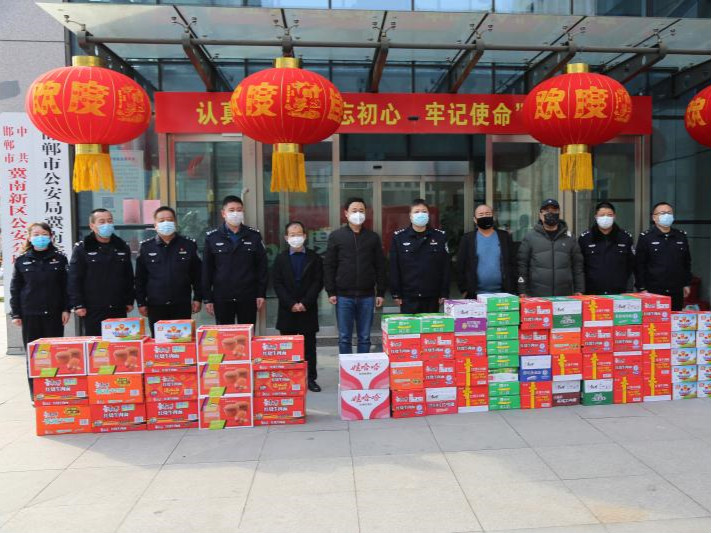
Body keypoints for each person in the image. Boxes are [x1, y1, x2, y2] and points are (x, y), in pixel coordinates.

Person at [10, 223, 71, 396]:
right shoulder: (22, 260)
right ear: (29, 238)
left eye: (44, 234)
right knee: (34, 356)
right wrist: (16, 313)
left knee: (55, 354)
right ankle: (36, 394)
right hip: (30, 314)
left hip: (54, 314)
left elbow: (66, 287)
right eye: (36, 234)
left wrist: (66, 309)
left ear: (50, 236)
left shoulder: (60, 259)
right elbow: (15, 288)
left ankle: (54, 391)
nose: (40, 237)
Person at [324, 197, 386, 354]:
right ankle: (346, 369)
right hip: (343, 296)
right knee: (344, 337)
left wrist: (381, 292)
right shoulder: (336, 236)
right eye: (354, 210)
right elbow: (329, 265)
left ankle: (362, 368)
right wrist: (331, 291)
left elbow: (380, 266)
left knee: (364, 337)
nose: (358, 214)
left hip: (367, 296)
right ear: (346, 213)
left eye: (361, 211)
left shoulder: (372, 237)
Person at [272, 221, 324, 392]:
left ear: (305, 236)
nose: (296, 237)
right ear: (286, 237)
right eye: (292, 235)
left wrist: (305, 303)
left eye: (299, 234)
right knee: (287, 347)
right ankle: (289, 379)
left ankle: (311, 379)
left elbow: (318, 282)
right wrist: (291, 304)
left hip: (308, 309)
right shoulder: (280, 259)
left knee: (309, 348)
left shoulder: (314, 257)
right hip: (287, 310)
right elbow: (277, 284)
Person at [135, 206, 202, 335]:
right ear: (155, 225)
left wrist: (198, 298)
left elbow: (197, 275)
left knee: (183, 340)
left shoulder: (188, 245)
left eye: (170, 220)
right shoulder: (146, 247)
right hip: (156, 305)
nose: (166, 223)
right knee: (158, 341)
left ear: (175, 223)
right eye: (161, 221)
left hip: (181, 304)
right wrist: (141, 302)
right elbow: (140, 279)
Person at [68, 209, 135, 336]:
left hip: (118, 306)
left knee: (119, 341)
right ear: (92, 225)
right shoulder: (82, 248)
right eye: (102, 222)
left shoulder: (122, 246)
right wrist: (78, 304)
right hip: (92, 308)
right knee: (96, 344)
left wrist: (129, 300)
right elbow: (74, 278)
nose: (107, 225)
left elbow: (128, 276)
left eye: (109, 221)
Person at [203, 195, 267, 325]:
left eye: (239, 210)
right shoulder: (212, 237)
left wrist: (261, 293)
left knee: (248, 333)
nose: (236, 213)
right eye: (231, 210)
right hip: (222, 296)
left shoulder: (253, 236)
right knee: (225, 334)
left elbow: (262, 267)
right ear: (223, 213)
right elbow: (206, 270)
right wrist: (208, 298)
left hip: (248, 295)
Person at [390, 199, 450, 313]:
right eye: (416, 211)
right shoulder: (399, 237)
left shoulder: (439, 236)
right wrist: (396, 293)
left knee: (431, 325)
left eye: (424, 211)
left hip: (432, 295)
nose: (420, 214)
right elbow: (394, 268)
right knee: (410, 325)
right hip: (408, 296)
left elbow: (445, 267)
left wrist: (444, 292)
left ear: (428, 215)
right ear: (410, 216)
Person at [518, 198, 584, 297]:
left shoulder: (570, 238)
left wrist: (579, 290)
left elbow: (577, 266)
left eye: (554, 210)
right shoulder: (530, 237)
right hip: (537, 295)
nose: (551, 213)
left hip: (564, 295)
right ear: (540, 214)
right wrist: (522, 291)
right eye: (547, 211)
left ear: (559, 213)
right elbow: (522, 266)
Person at [635, 201, 692, 311]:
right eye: (662, 213)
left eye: (669, 213)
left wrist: (686, 283)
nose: (666, 215)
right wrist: (641, 288)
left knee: (674, 318)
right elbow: (639, 265)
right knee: (654, 320)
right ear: (654, 217)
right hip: (654, 290)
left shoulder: (681, 236)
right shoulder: (646, 237)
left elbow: (686, 262)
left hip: (676, 290)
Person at [456, 204, 517, 298]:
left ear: (493, 217)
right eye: (481, 215)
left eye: (488, 214)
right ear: (475, 219)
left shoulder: (504, 237)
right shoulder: (467, 239)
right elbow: (460, 265)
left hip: (503, 294)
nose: (484, 216)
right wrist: (464, 290)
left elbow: (513, 262)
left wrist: (514, 288)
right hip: (475, 295)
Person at [578, 201, 635, 295]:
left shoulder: (625, 237)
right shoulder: (585, 238)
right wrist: (580, 290)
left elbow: (630, 266)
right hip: (592, 292)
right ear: (596, 217)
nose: (606, 218)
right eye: (602, 215)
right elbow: (579, 267)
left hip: (620, 292)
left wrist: (629, 290)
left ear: (614, 216)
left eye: (609, 215)